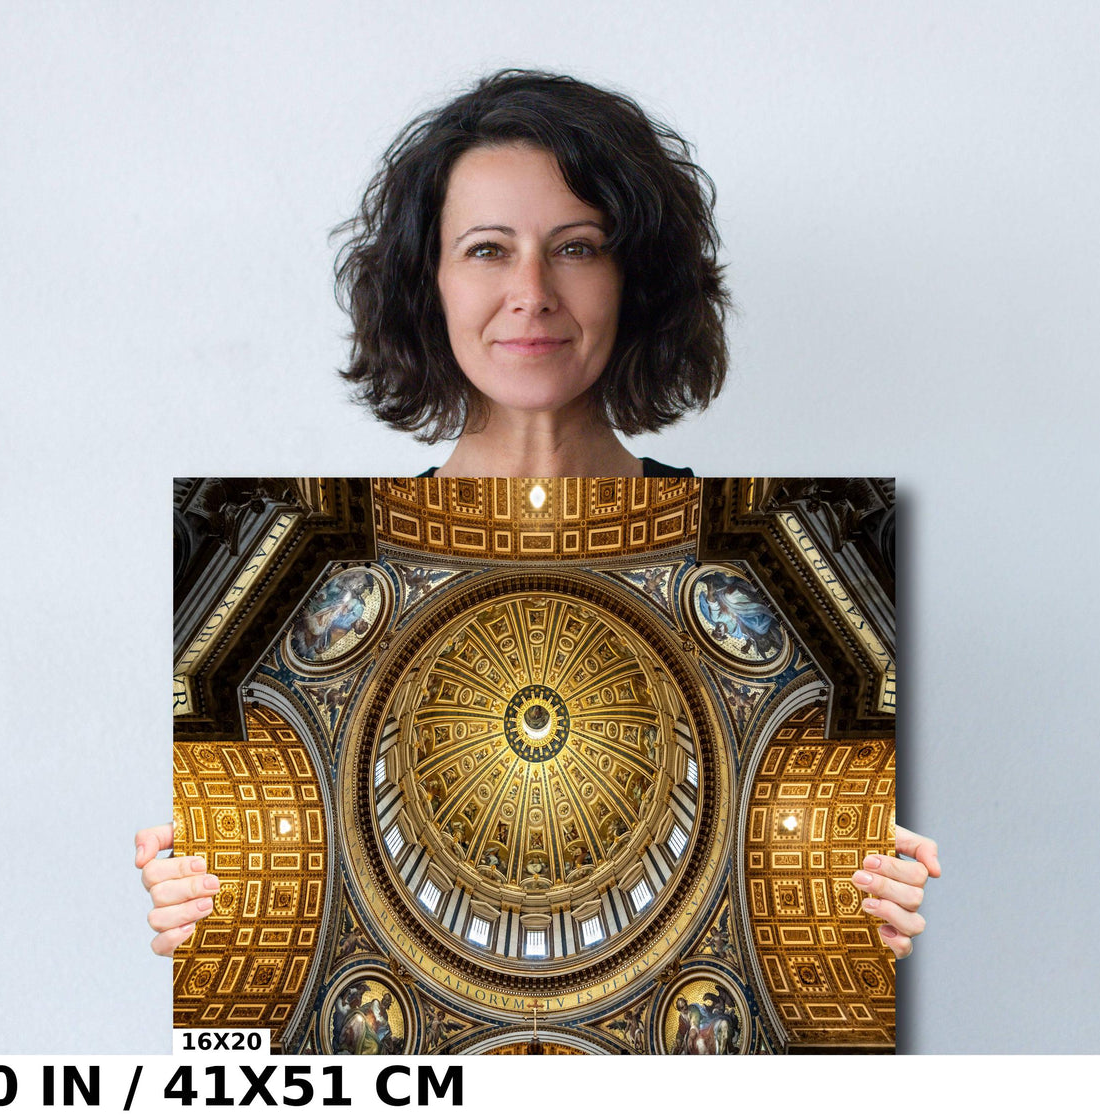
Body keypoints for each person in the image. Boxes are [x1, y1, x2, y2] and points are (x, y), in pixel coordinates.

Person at [139, 69, 939, 963]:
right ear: (427, 282)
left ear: (634, 280)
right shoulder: (314, 579)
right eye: (486, 249)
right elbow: (251, 1044)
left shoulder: (767, 571)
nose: (532, 291)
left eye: (577, 246)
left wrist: (857, 914)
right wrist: (213, 917)